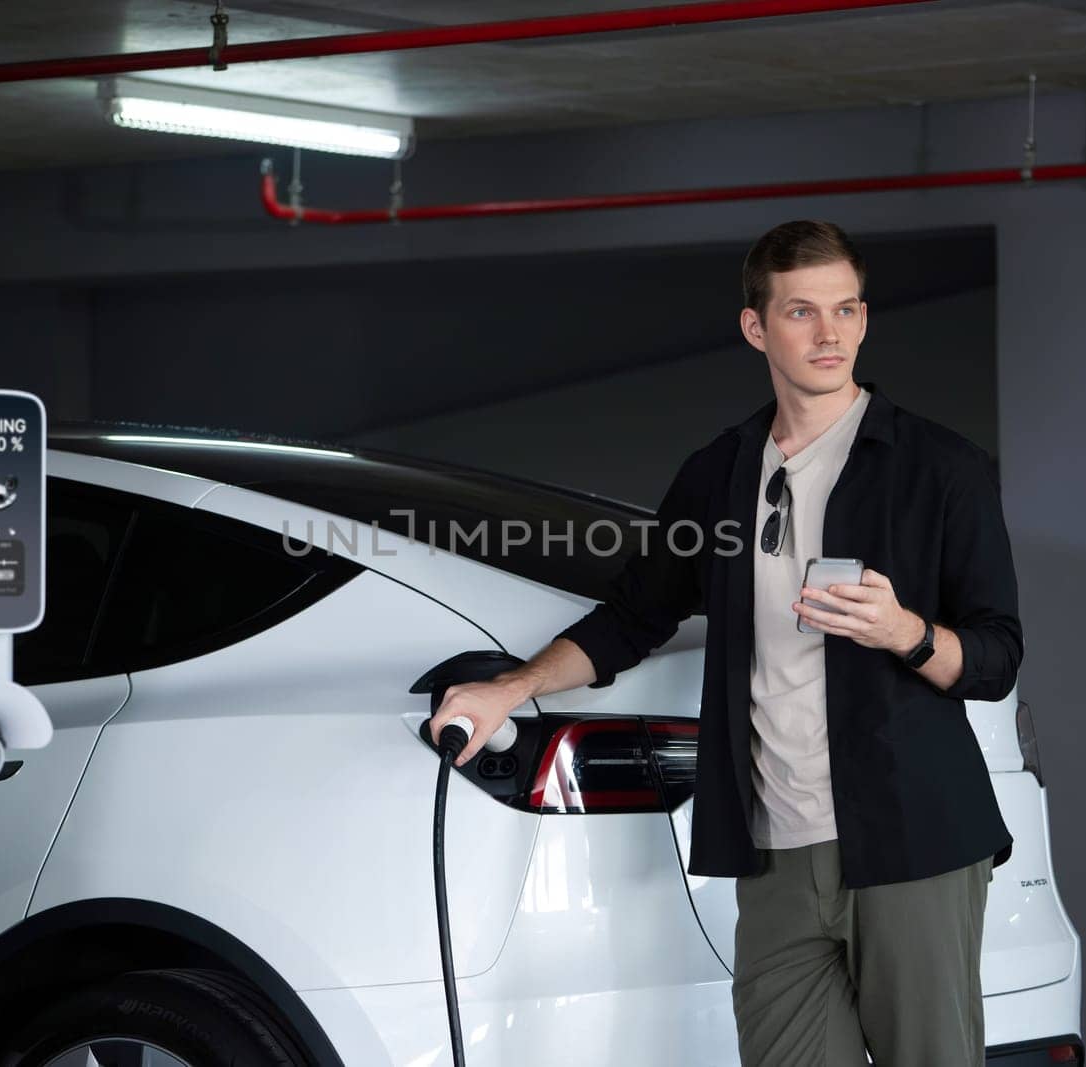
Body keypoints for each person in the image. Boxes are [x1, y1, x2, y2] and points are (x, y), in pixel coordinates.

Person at [431, 219, 1021, 1067]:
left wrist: (906, 631)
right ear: (756, 327)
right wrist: (512, 687)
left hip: (913, 845)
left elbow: (998, 658)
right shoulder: (719, 474)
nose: (830, 334)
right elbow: (633, 617)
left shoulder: (941, 468)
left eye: (848, 309)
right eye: (802, 312)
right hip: (775, 854)